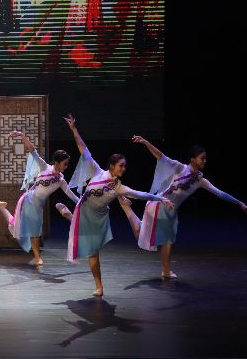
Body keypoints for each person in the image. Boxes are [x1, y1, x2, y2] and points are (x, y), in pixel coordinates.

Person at [57, 115, 172, 297]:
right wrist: (73, 129)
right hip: (83, 211)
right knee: (91, 251)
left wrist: (160, 199)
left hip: (98, 218)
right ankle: (98, 285)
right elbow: (83, 149)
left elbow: (140, 194)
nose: (123, 169)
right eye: (121, 166)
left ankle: (69, 218)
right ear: (111, 166)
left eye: (125, 166)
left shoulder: (119, 188)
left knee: (93, 251)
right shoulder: (97, 171)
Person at [120, 137, 247, 278]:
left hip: (169, 210)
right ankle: (166, 271)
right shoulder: (180, 168)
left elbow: (220, 193)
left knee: (144, 233)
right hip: (159, 205)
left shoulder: (200, 181)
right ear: (193, 159)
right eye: (202, 158)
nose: (204, 161)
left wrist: (240, 203)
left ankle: (125, 206)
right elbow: (161, 156)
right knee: (165, 239)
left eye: (205, 158)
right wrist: (145, 142)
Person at [0, 130, 79, 265]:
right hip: (28, 200)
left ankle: (2, 207)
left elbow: (69, 193)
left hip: (38, 205)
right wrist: (22, 136)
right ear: (57, 162)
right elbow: (33, 151)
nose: (66, 167)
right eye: (65, 164)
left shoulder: (61, 180)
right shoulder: (45, 167)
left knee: (19, 227)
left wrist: (81, 201)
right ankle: (38, 258)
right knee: (32, 231)